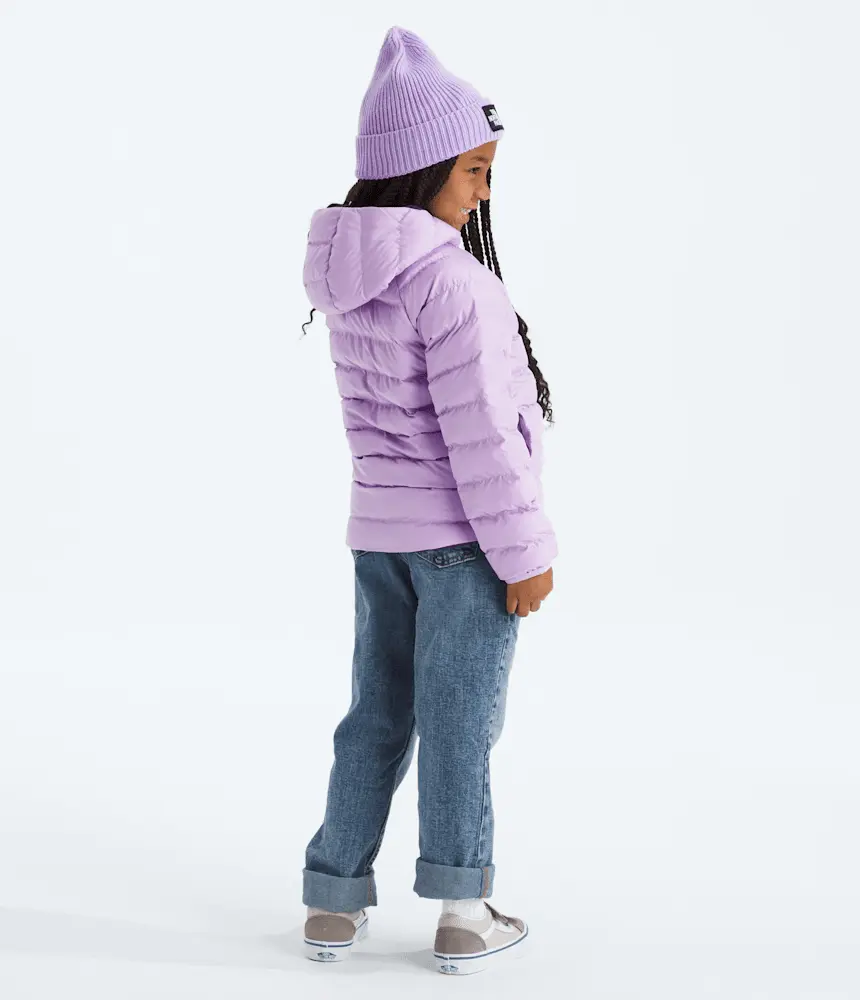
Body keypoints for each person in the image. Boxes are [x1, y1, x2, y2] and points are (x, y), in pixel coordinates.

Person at [299, 25, 558, 976]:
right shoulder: (454, 283)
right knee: (459, 725)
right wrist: (524, 554)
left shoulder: (353, 281)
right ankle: (462, 911)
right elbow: (481, 435)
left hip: (379, 538)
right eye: (474, 171)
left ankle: (332, 903)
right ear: (423, 170)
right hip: (464, 544)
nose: (484, 192)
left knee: (376, 715)